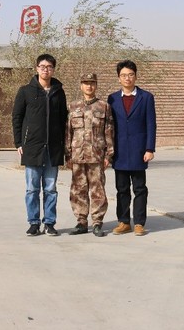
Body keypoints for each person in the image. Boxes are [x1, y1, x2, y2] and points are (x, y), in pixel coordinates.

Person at [12, 53, 68, 236]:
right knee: (32, 189)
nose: (46, 70)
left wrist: (63, 144)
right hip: (32, 147)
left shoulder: (58, 92)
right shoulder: (25, 91)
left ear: (53, 69)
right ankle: (34, 223)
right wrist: (19, 142)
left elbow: (63, 119)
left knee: (51, 189)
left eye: (49, 67)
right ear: (37, 68)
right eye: (42, 66)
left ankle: (49, 223)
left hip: (53, 148)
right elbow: (17, 118)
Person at [107, 60, 156, 236]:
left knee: (140, 188)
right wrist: (108, 150)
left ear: (135, 76)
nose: (127, 78)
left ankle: (139, 223)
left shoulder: (146, 97)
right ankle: (124, 222)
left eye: (130, 75)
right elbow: (109, 126)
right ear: (118, 78)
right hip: (119, 151)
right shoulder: (112, 98)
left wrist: (149, 148)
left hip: (138, 150)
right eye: (123, 75)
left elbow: (151, 124)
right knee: (121, 189)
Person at [65, 72, 114, 237]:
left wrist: (108, 155)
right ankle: (81, 222)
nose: (89, 86)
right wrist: (67, 154)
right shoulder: (73, 106)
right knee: (78, 189)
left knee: (97, 189)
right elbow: (68, 132)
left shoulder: (104, 106)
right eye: (86, 83)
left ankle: (97, 222)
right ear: (81, 86)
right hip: (77, 155)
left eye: (92, 83)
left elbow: (109, 131)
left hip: (96, 155)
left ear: (96, 85)